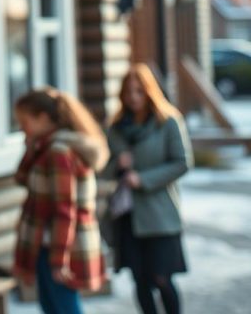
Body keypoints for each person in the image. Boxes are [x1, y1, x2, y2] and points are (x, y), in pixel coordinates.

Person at [103, 64, 192, 314]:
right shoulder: (117, 127)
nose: (133, 97)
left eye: (138, 91)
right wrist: (117, 166)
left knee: (162, 277)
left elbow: (182, 162)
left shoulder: (168, 122)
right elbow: (104, 169)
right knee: (140, 280)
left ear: (149, 91)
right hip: (129, 216)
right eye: (128, 92)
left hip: (159, 214)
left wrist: (142, 179)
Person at [13, 88, 110, 314]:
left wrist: (59, 259)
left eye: (24, 121)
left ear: (43, 119)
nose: (21, 128)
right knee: (52, 306)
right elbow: (21, 178)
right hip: (49, 243)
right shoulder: (44, 148)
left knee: (63, 307)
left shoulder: (58, 153)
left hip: (59, 246)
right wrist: (29, 149)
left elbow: (65, 210)